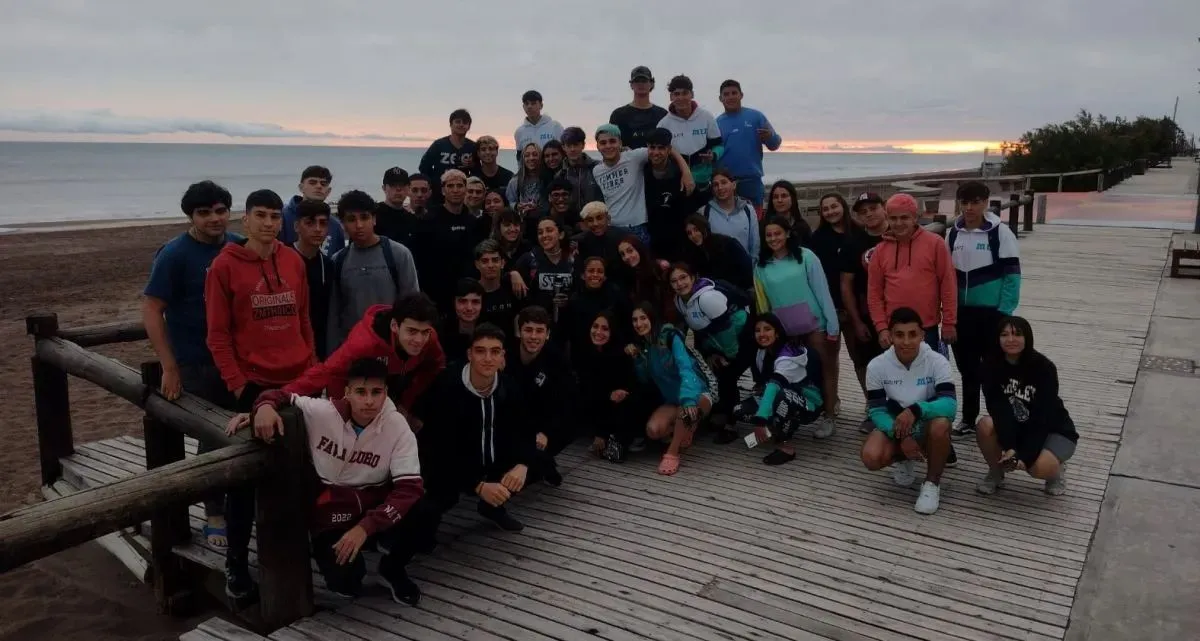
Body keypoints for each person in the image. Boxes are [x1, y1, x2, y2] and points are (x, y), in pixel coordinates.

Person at [204, 188, 315, 603]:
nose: (269, 223)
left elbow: (303, 318)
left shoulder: (293, 261)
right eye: (261, 216)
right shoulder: (224, 266)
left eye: (274, 216)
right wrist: (239, 386)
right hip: (252, 383)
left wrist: (313, 369)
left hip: (298, 382)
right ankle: (235, 561)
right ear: (245, 220)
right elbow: (217, 335)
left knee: (303, 467)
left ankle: (300, 548)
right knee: (245, 480)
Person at [243, 358, 425, 604]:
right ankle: (338, 554)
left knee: (422, 510)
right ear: (347, 392)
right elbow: (280, 395)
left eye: (376, 392)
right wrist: (264, 406)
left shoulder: (397, 427)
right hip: (332, 512)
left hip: (372, 506)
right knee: (346, 583)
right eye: (360, 392)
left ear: (386, 393)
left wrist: (366, 527)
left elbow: (409, 488)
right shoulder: (322, 412)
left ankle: (392, 567)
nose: (369, 401)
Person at [143, 179, 241, 547]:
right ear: (191, 216)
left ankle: (241, 505)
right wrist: (169, 366)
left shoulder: (238, 246)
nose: (215, 218)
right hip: (196, 362)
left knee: (241, 434)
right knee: (212, 438)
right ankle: (214, 513)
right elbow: (152, 309)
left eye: (220, 211)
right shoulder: (174, 254)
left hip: (238, 362)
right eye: (204, 213)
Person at [415, 323, 538, 533]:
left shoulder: (508, 386)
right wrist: (478, 485)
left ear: (502, 356)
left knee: (537, 463)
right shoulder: (447, 387)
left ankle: (493, 507)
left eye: (495, 352)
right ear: (469, 354)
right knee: (433, 506)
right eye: (480, 351)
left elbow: (525, 428)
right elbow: (437, 449)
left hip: (490, 457)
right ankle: (409, 542)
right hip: (451, 463)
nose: (488, 358)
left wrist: (523, 464)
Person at [282, 294, 446, 431]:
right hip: (356, 390)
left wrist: (407, 404)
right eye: (412, 331)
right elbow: (327, 372)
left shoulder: (430, 339)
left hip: (397, 387)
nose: (419, 340)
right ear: (394, 326)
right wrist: (279, 396)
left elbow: (436, 367)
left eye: (425, 332)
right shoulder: (364, 343)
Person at [860, 307, 957, 515]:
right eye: (899, 335)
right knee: (871, 456)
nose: (906, 342)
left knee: (941, 425)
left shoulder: (937, 361)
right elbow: (876, 411)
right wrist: (901, 436)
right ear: (890, 336)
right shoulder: (876, 366)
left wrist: (916, 409)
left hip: (927, 422)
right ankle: (905, 458)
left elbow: (950, 405)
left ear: (922, 335)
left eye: (913, 334)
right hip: (897, 424)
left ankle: (932, 484)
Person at [947, 181, 1022, 440]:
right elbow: (946, 276)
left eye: (975, 202)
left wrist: (1004, 313)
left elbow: (1013, 276)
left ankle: (998, 420)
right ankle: (969, 419)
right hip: (962, 314)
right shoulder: (953, 233)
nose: (969, 208)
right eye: (964, 202)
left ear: (986, 202)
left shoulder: (1000, 233)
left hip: (992, 314)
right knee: (968, 370)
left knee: (994, 370)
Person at [753, 216, 840, 437]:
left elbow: (822, 291)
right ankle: (795, 414)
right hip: (786, 331)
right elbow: (763, 304)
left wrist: (833, 325)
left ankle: (829, 416)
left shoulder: (806, 256)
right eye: (768, 235)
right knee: (792, 375)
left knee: (826, 371)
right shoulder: (761, 266)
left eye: (777, 233)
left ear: (787, 233)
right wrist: (765, 331)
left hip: (815, 326)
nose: (773, 238)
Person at [976, 316, 1076, 496]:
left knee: (1038, 468)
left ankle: (1056, 470)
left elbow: (1042, 417)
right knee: (985, 425)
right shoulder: (990, 366)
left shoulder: (1044, 367)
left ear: (1027, 337)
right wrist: (1010, 446)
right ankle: (996, 473)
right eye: (1004, 335)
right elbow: (999, 410)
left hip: (1052, 428)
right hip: (1017, 425)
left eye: (1017, 334)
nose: (1011, 339)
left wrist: (1024, 455)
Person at [627, 302, 715, 476]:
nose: (639, 323)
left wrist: (688, 399)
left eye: (643, 318)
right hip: (672, 400)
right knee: (653, 430)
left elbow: (686, 368)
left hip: (697, 395)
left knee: (685, 412)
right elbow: (645, 379)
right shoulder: (645, 346)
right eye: (635, 320)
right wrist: (637, 359)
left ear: (652, 318)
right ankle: (685, 429)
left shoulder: (670, 336)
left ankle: (672, 452)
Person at [327, 190, 420, 352]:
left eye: (364, 217)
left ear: (374, 219)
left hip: (391, 346)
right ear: (342, 224)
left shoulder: (398, 254)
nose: (359, 225)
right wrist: (333, 352)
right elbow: (334, 314)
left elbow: (413, 306)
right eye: (351, 219)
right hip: (353, 348)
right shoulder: (338, 260)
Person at [669, 263, 750, 443]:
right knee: (718, 372)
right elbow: (696, 330)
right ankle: (723, 412)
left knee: (727, 374)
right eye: (674, 281)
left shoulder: (707, 298)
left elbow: (727, 330)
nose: (679, 284)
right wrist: (709, 353)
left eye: (683, 277)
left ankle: (731, 424)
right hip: (717, 340)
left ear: (693, 277)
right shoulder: (679, 301)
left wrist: (728, 356)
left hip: (743, 334)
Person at [867, 193, 956, 354]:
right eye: (893, 218)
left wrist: (949, 323)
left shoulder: (935, 244)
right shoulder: (880, 251)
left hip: (927, 328)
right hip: (893, 330)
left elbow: (948, 285)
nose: (898, 223)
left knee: (929, 370)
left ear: (915, 218)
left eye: (904, 217)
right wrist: (881, 327)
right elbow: (874, 293)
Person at [733, 314, 824, 465]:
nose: (762, 334)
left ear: (777, 333)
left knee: (782, 398)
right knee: (739, 410)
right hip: (780, 396)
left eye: (767, 329)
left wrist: (761, 420)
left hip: (809, 403)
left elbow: (774, 385)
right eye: (757, 330)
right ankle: (774, 429)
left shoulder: (788, 354)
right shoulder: (762, 352)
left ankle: (786, 446)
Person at [505, 306, 574, 487]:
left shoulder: (557, 360)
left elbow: (566, 403)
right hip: (512, 420)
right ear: (519, 332)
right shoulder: (505, 356)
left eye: (539, 331)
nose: (534, 336)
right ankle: (543, 464)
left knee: (570, 423)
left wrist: (547, 432)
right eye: (528, 330)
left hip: (542, 421)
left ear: (547, 334)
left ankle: (539, 461)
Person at [593, 123, 694, 246]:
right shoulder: (597, 171)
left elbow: (665, 148)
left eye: (612, 141)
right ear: (597, 146)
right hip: (611, 228)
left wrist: (686, 171)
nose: (608, 146)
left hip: (637, 227)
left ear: (620, 143)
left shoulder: (635, 157)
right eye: (603, 143)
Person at [840, 192, 889, 433]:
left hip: (901, 313)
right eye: (863, 211)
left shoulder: (899, 236)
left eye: (873, 208)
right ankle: (874, 409)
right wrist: (857, 321)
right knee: (869, 365)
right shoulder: (854, 243)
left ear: (884, 207)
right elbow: (846, 284)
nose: (869, 214)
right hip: (867, 313)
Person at [807, 193, 859, 413]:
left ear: (843, 206)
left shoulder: (858, 233)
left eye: (834, 206)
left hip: (856, 307)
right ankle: (832, 401)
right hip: (829, 308)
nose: (830, 212)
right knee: (829, 359)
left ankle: (871, 403)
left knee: (860, 358)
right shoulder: (817, 238)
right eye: (825, 209)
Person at [577, 310, 646, 463]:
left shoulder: (620, 355)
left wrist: (601, 432)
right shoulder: (587, 351)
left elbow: (629, 391)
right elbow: (590, 391)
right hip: (600, 408)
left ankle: (622, 439)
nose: (598, 332)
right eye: (595, 326)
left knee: (622, 399)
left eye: (605, 329)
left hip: (620, 410)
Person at [716, 79, 782, 207]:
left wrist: (770, 137)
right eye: (726, 94)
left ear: (741, 95)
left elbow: (775, 144)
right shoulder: (716, 123)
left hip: (752, 182)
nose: (730, 97)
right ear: (720, 98)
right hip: (726, 184)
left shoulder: (756, 117)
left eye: (734, 93)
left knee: (754, 218)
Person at [645, 127, 707, 261]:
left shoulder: (681, 175)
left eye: (661, 148)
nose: (656, 152)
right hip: (651, 241)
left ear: (669, 149)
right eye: (652, 147)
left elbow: (694, 206)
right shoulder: (641, 170)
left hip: (679, 242)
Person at [421, 169, 479, 313]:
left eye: (459, 186)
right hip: (435, 291)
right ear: (443, 190)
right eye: (450, 186)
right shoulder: (429, 219)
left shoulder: (473, 221)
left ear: (465, 189)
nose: (455, 190)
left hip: (466, 293)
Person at [658, 75, 724, 187]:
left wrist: (713, 155)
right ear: (671, 96)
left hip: (703, 181)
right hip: (676, 181)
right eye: (676, 94)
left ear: (692, 94)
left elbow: (719, 145)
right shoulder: (663, 124)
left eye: (685, 93)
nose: (681, 98)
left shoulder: (706, 116)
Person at [290, 199, 335, 359]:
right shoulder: (282, 258)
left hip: (319, 347)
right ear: (296, 226)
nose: (317, 229)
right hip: (288, 345)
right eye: (310, 223)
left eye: (323, 223)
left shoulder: (328, 265)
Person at [513, 218, 574, 322]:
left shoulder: (572, 259)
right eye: (540, 232)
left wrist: (569, 300)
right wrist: (513, 274)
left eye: (549, 230)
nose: (544, 235)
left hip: (568, 321)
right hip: (536, 322)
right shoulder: (530, 258)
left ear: (561, 234)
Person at [567, 256, 628, 357]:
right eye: (591, 271)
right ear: (583, 275)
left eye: (600, 271)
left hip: (612, 353)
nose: (595, 274)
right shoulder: (574, 300)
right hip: (582, 354)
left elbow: (624, 325)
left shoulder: (616, 296)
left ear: (605, 277)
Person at [279, 165, 346, 254]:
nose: (319, 186)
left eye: (323, 184)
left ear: (328, 191)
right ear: (301, 187)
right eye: (312, 182)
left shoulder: (335, 226)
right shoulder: (282, 217)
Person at [682, 213, 754, 290]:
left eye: (696, 230)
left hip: (739, 290)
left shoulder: (727, 243)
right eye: (689, 233)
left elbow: (747, 269)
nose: (693, 235)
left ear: (705, 228)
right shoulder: (694, 253)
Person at [419, 108, 476, 204]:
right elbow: (424, 167)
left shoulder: (472, 147)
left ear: (469, 126)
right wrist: (435, 183)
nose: (461, 125)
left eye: (465, 122)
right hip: (438, 195)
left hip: (462, 195)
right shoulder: (439, 145)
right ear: (451, 124)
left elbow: (478, 171)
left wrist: (472, 166)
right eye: (458, 122)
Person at [702, 168, 759, 258]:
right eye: (715, 185)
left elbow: (755, 245)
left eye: (724, 182)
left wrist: (752, 264)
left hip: (744, 265)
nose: (720, 187)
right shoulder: (704, 211)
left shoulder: (748, 210)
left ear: (734, 185)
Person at [616, 235, 675, 322]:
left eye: (630, 251)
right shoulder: (628, 277)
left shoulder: (657, 269)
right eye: (623, 254)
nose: (627, 257)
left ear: (639, 249)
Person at [609, 66, 669, 149]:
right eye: (637, 81)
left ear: (651, 84)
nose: (640, 84)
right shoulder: (618, 115)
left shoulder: (662, 114)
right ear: (631, 85)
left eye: (644, 81)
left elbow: (669, 144)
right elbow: (611, 143)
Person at [474, 239, 524, 333]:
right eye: (485, 261)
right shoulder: (471, 292)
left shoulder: (513, 288)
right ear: (477, 264)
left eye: (495, 260)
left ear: (502, 263)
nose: (490, 265)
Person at [574, 201, 625, 275]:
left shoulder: (622, 237)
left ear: (608, 219)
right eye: (590, 220)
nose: (595, 224)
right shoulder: (582, 241)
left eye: (599, 218)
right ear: (585, 223)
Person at [375, 167, 421, 248]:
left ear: (408, 188)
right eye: (393, 185)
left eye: (402, 185)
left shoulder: (413, 220)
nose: (398, 189)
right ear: (384, 188)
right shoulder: (372, 215)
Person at [441, 278, 485, 362]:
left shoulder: (491, 332)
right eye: (462, 301)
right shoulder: (441, 331)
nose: (469, 308)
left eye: (475, 302)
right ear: (454, 303)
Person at [559, 127, 603, 210]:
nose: (572, 149)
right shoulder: (560, 175)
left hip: (596, 216)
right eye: (569, 146)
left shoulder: (598, 167)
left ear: (583, 145)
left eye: (576, 145)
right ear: (563, 147)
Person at [514, 90, 564, 158]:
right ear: (523, 107)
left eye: (533, 103)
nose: (529, 106)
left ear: (541, 105)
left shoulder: (555, 126)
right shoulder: (519, 132)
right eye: (526, 104)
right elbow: (519, 157)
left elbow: (563, 151)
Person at [507, 142, 547, 220]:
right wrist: (517, 206)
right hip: (522, 221)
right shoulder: (515, 181)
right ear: (523, 159)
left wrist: (538, 207)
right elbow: (509, 202)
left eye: (535, 154)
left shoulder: (547, 179)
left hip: (543, 220)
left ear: (541, 157)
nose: (531, 158)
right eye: (527, 155)